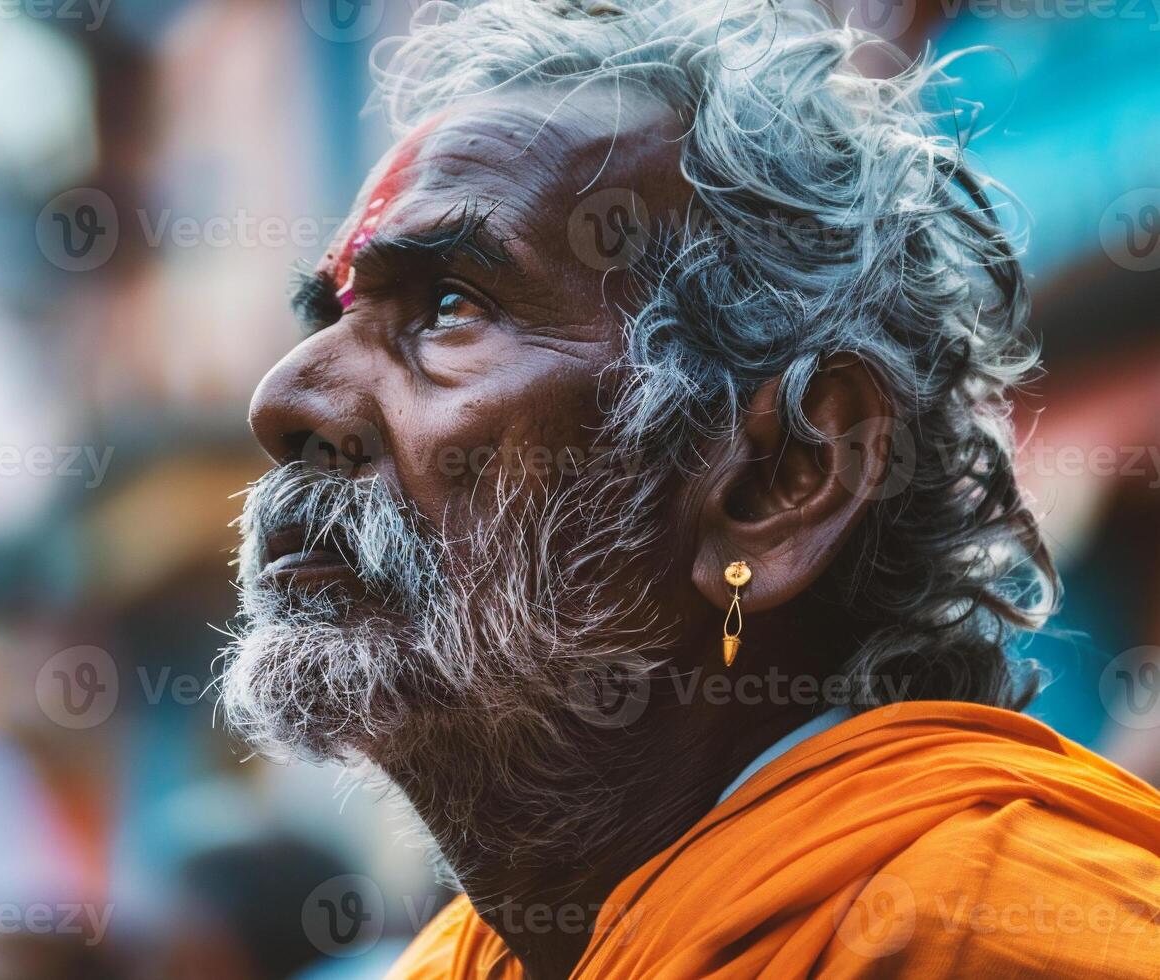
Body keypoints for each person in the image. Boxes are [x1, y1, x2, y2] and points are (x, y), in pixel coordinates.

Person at [219, 1, 1160, 977]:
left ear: (781, 474)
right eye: (324, 317)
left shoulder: (1001, 943)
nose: (282, 397)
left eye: (451, 307)